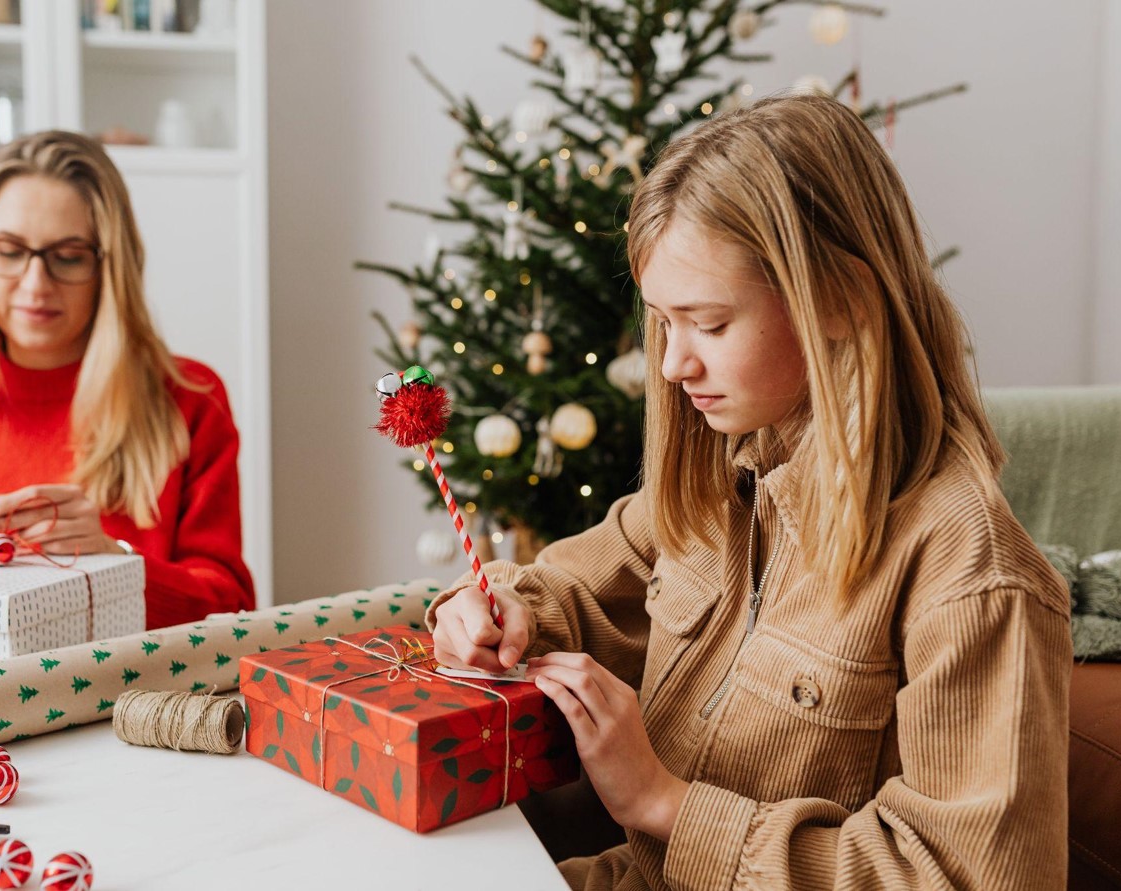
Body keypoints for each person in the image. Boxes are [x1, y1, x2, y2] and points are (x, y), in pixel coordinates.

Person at [429, 94, 1070, 889]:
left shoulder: (972, 576)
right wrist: (497, 610)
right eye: (663, 323)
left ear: (839, 299)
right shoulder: (724, 479)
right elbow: (573, 589)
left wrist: (665, 803)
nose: (674, 365)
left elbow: (970, 873)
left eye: (709, 323)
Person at [0, 130, 255, 629]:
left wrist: (113, 564)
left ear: (111, 266)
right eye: (8, 251)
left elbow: (231, 608)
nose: (35, 284)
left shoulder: (190, 399)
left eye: (68, 257)